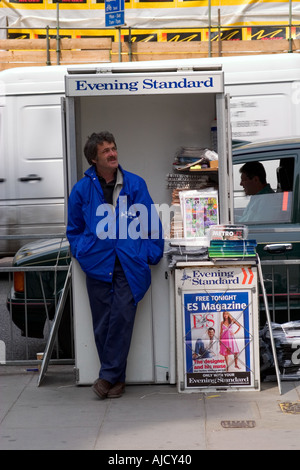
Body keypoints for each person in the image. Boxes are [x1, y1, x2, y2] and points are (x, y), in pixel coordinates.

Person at [67, 131, 164, 399]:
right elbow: (73, 229)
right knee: (102, 323)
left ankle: (107, 376)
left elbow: (150, 223)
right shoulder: (81, 189)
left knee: (121, 316)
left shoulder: (135, 184)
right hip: (97, 263)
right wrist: (81, 250)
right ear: (93, 158)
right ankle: (116, 380)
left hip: (129, 264)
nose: (112, 154)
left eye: (113, 149)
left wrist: (149, 253)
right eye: (105, 151)